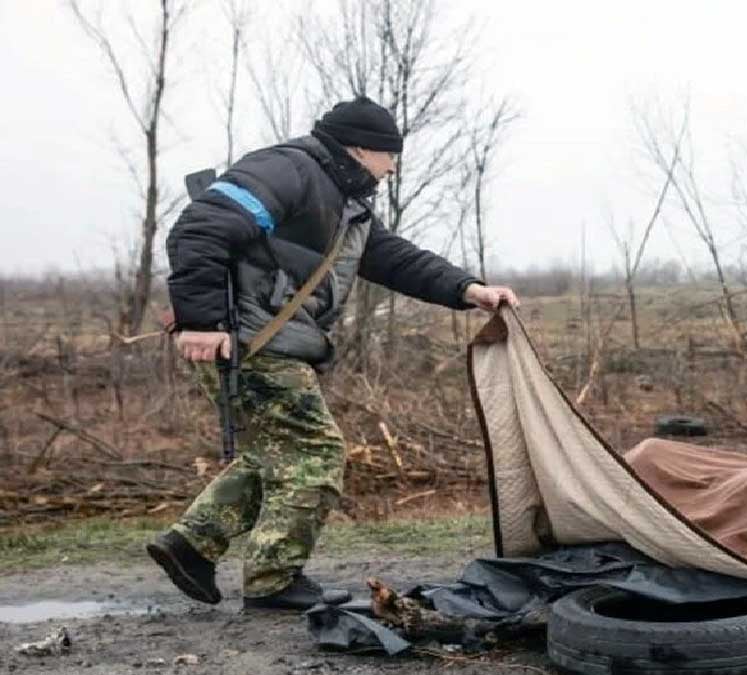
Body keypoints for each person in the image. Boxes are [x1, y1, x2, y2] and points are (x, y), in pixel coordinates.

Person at [147, 96, 519, 610]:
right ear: (364, 149)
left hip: (266, 340)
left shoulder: (348, 204)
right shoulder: (289, 168)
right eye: (391, 156)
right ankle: (273, 579)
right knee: (316, 451)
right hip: (248, 339)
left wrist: (466, 289)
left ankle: (191, 544)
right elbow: (200, 227)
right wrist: (201, 321)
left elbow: (395, 259)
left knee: (278, 452)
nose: (393, 169)